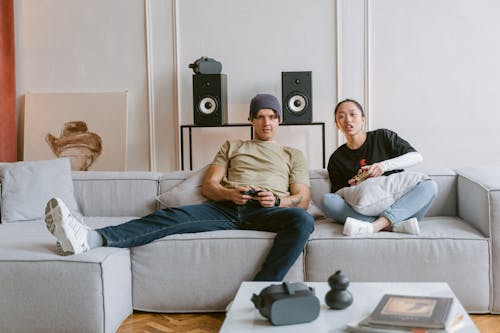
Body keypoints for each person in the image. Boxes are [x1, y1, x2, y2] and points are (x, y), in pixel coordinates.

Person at [44, 93, 315, 281]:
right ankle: (90, 238)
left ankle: (258, 292)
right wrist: (228, 193)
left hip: (268, 211)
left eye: (272, 117)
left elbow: (302, 199)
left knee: (302, 220)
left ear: (279, 120)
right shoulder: (232, 146)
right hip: (228, 208)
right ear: (251, 120)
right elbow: (209, 186)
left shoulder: (293, 154)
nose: (267, 122)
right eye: (261, 116)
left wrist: (278, 202)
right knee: (168, 217)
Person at [321, 99, 437, 236]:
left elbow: (416, 157)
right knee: (327, 201)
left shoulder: (382, 136)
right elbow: (338, 195)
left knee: (430, 186)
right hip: (368, 209)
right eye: (341, 116)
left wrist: (383, 166)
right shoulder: (336, 158)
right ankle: (392, 226)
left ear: (363, 119)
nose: (348, 120)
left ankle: (374, 225)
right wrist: (357, 184)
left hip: (401, 208)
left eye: (353, 114)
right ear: (337, 125)